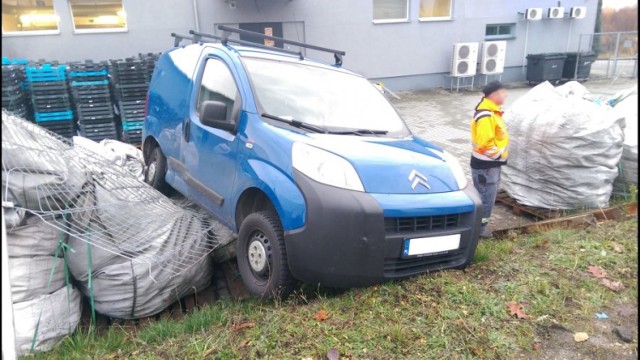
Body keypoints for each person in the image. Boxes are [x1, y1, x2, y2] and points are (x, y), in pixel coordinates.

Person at [470, 81, 509, 239]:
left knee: (487, 196)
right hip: (487, 165)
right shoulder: (486, 116)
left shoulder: (493, 112)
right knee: (486, 198)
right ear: (495, 95)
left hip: (490, 165)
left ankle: (479, 227)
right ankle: (479, 231)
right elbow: (485, 144)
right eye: (503, 92)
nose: (505, 95)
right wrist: (499, 156)